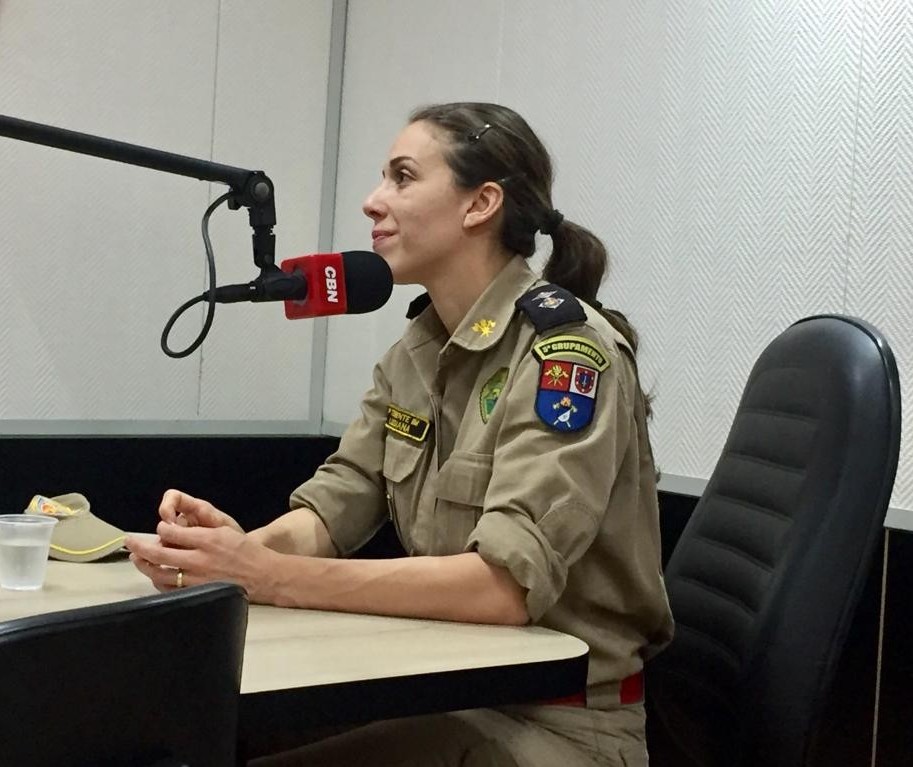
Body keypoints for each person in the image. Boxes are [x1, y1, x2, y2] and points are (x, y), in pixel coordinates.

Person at [126, 101, 673, 767]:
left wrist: (272, 576)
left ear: (480, 204)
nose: (372, 201)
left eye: (402, 177)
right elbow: (338, 501)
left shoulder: (564, 355)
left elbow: (500, 587)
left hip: (558, 725)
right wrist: (227, 558)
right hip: (439, 696)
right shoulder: (416, 350)